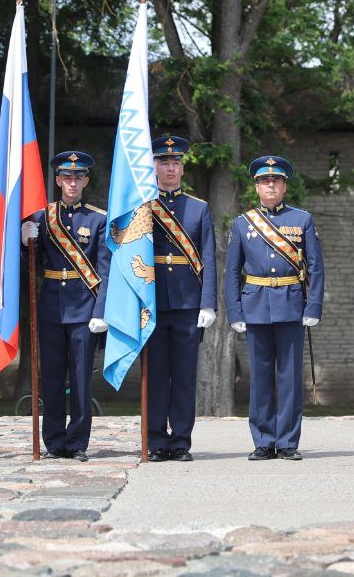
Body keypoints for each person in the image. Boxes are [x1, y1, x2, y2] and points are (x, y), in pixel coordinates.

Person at [224, 156, 324, 460]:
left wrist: (313, 306)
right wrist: (235, 311)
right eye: (265, 181)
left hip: (292, 305)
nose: (271, 185)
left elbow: (316, 267)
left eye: (276, 181)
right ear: (256, 186)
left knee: (290, 378)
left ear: (284, 186)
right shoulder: (242, 223)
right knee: (261, 379)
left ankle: (288, 442)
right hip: (255, 306)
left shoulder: (302, 219)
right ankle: (264, 441)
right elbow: (231, 271)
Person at [22, 151, 110, 462]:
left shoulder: (98, 219)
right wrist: (25, 241)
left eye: (78, 177)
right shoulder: (42, 217)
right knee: (52, 377)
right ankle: (54, 440)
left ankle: (77, 443)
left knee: (81, 377)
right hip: (51, 306)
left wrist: (100, 311)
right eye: (67, 177)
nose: (72, 182)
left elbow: (105, 269)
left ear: (86, 180)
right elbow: (28, 266)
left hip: (85, 308)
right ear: (58, 180)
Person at [133, 135, 216, 462]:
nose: (170, 168)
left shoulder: (199, 208)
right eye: (164, 162)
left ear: (182, 168)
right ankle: (155, 441)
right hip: (151, 301)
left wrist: (207, 302)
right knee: (154, 377)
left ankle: (180, 441)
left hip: (186, 304)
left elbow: (208, 256)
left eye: (175, 163)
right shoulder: (142, 206)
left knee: (183, 378)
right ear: (154, 167)